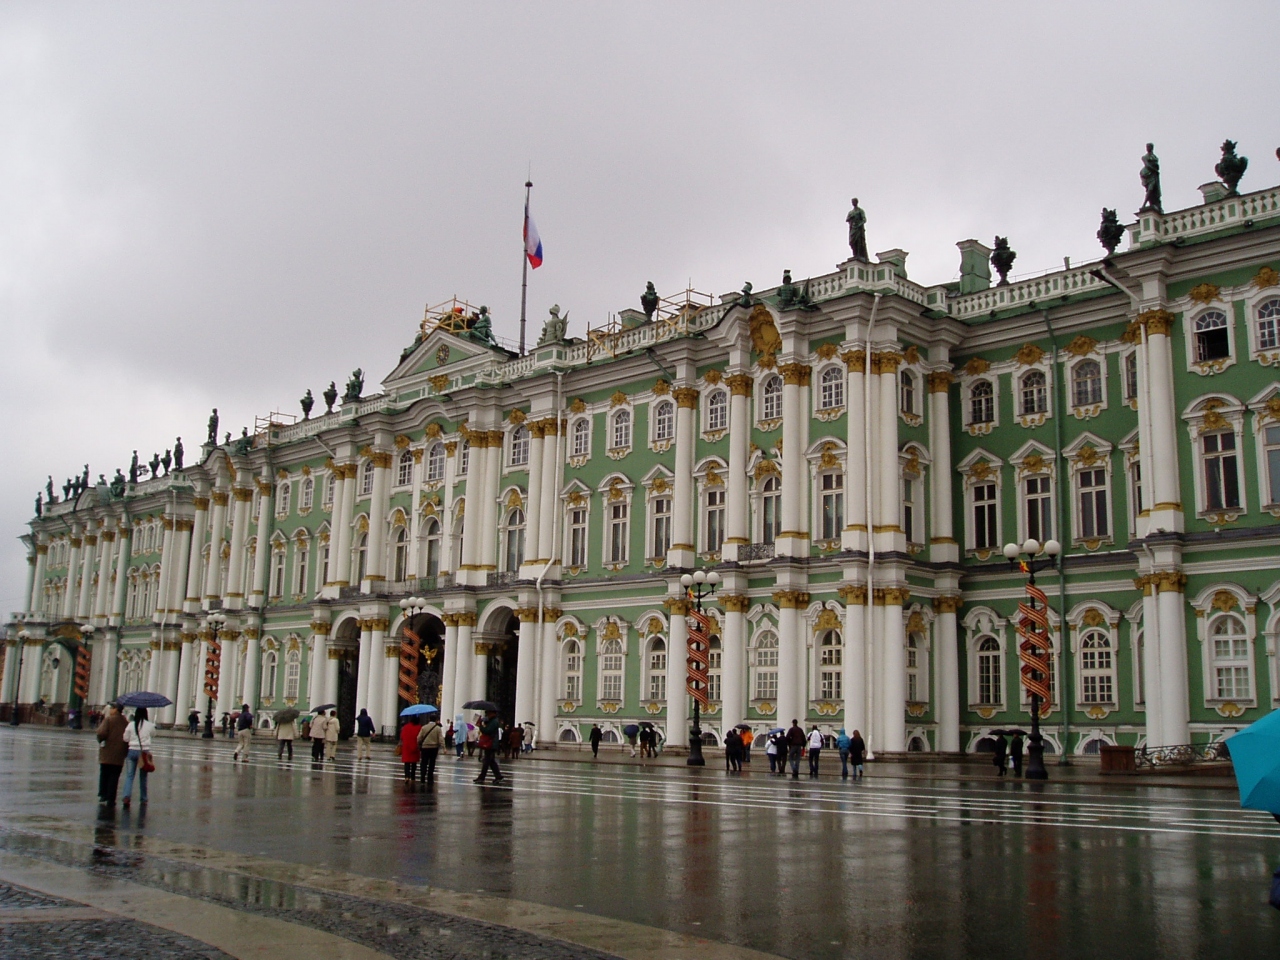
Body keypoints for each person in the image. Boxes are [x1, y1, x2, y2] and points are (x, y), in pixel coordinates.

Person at [121, 706, 154, 808]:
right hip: (144, 752)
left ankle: (126, 796)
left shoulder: (131, 724)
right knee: (143, 777)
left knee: (130, 776)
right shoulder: (150, 725)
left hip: (132, 751)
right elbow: (154, 734)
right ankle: (143, 798)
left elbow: (125, 738)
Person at [96, 703, 128, 805]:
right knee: (114, 776)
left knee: (104, 773)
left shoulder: (109, 720)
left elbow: (101, 733)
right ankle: (111, 798)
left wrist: (101, 740)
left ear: (116, 709)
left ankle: (103, 794)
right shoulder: (125, 722)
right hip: (119, 753)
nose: (110, 710)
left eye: (111, 708)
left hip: (107, 752)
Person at [474, 709, 504, 784]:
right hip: (491, 743)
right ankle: (498, 776)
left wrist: (480, 726)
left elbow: (487, 731)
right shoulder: (492, 721)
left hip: (491, 743)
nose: (487, 714)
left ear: (492, 713)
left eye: (488, 713)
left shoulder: (494, 722)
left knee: (487, 761)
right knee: (491, 761)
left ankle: (482, 777)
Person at [417, 713, 443, 782]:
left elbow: (419, 738)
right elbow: (441, 738)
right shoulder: (438, 728)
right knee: (432, 763)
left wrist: (418, 743)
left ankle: (422, 776)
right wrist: (444, 747)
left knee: (424, 762)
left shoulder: (424, 727)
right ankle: (430, 778)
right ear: (436, 720)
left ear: (429, 719)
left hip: (425, 747)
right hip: (434, 748)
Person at [400, 718, 422, 782]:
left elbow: (402, 737)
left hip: (406, 747)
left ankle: (407, 776)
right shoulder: (419, 727)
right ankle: (412, 777)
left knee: (407, 763)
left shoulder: (406, 727)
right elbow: (421, 737)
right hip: (415, 747)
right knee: (414, 763)